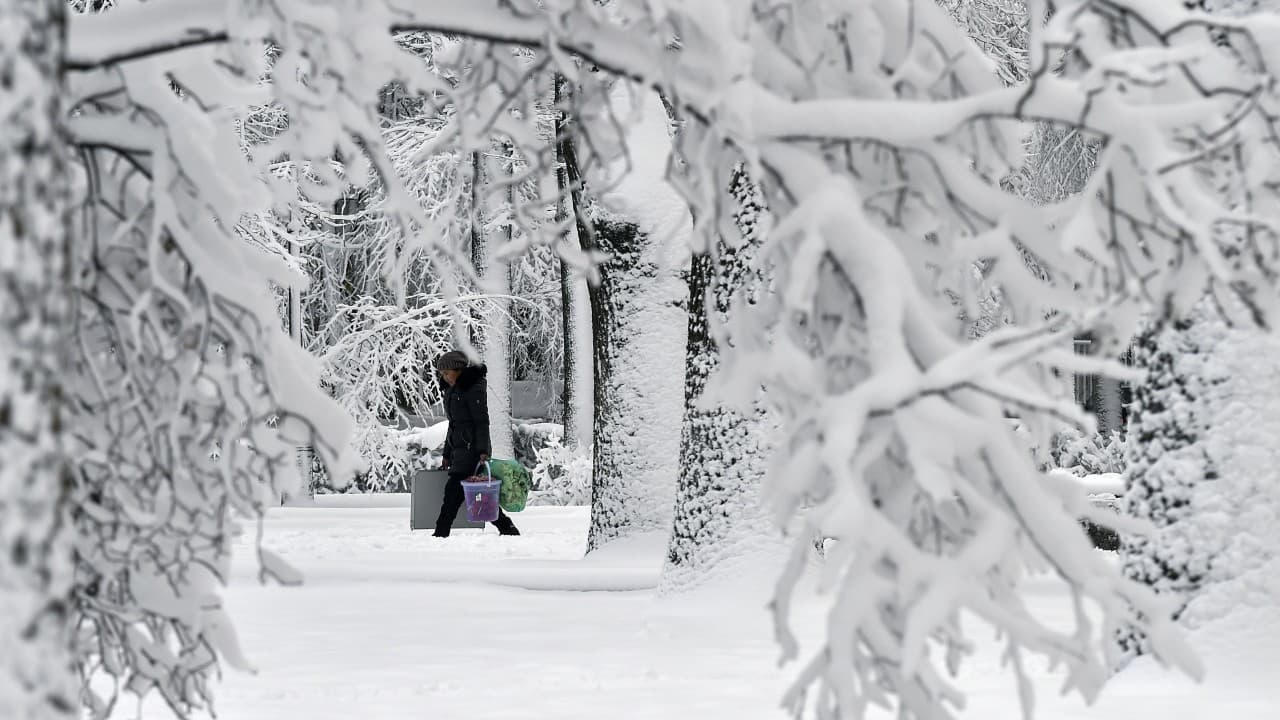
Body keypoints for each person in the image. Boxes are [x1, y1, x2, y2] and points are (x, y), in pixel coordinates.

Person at [433, 350, 520, 537]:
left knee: (453, 492)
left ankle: (440, 533)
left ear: (459, 370)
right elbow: (453, 424)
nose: (445, 377)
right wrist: (447, 453)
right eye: (442, 374)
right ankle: (507, 528)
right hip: (460, 450)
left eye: (447, 373)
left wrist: (481, 450)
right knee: (475, 494)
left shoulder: (472, 387)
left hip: (472, 449)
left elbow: (481, 421)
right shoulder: (452, 390)